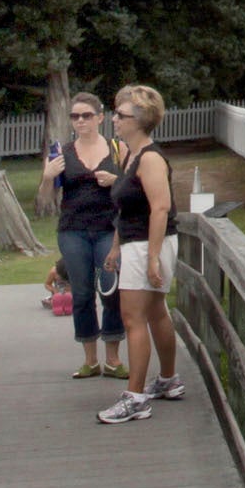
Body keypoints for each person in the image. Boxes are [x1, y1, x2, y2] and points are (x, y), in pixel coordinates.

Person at [95, 85, 183, 424]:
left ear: (141, 120)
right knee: (157, 310)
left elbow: (160, 208)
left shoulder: (149, 158)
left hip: (149, 244)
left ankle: (135, 398)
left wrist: (151, 258)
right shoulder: (129, 155)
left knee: (133, 319)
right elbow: (128, 206)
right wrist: (117, 245)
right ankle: (168, 379)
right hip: (136, 243)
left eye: (122, 115)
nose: (115, 119)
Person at [47, 91, 126, 379]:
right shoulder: (62, 151)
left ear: (100, 118)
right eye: (75, 116)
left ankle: (114, 359)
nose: (80, 121)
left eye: (87, 115)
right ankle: (90, 359)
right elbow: (46, 199)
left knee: (111, 289)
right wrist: (47, 177)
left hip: (108, 228)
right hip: (73, 229)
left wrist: (116, 180)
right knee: (81, 293)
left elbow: (134, 188)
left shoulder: (118, 149)